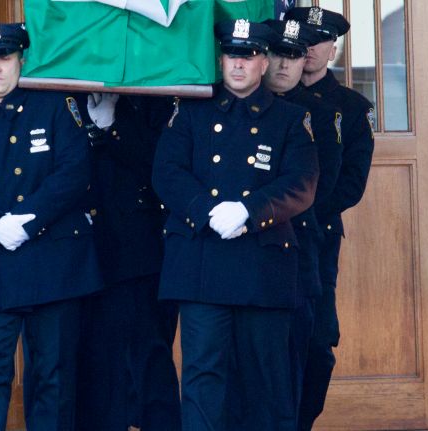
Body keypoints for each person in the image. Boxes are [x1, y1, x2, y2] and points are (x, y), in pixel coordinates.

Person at [152, 19, 319, 431]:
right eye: (232, 55)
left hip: (261, 267)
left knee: (267, 382)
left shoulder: (290, 119)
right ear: (221, 59)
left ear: (263, 62)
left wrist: (249, 210)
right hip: (201, 263)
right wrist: (206, 210)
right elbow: (166, 172)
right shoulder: (190, 112)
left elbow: (302, 183)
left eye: (248, 56)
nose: (239, 64)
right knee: (202, 377)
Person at [0, 21, 102, 431]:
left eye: (5, 59)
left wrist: (28, 221)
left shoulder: (55, 109)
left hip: (52, 260)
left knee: (52, 376)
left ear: (20, 61)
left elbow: (74, 172)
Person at [283, 7, 376, 431]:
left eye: (318, 40)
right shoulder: (273, 99)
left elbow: (351, 183)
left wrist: (307, 211)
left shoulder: (351, 108)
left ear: (332, 49)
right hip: (266, 236)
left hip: (317, 236)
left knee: (318, 342)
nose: (309, 47)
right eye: (301, 39)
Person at [75, 93, 181, 431]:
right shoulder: (64, 94)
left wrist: (111, 127)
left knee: (150, 358)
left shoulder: (155, 97)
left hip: (140, 247)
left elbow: (163, 164)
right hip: (80, 250)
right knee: (92, 364)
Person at [261, 18, 345, 426]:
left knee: (310, 349)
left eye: (295, 54)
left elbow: (328, 185)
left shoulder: (320, 116)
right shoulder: (244, 107)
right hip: (250, 247)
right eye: (279, 53)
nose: (285, 64)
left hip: (306, 242)